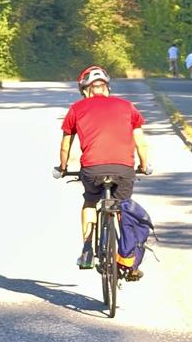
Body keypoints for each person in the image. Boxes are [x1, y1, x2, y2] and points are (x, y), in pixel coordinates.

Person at [57, 65, 150, 277]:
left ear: (85, 90)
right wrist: (143, 166)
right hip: (124, 169)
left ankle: (88, 249)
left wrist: (63, 168)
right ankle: (126, 258)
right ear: (107, 88)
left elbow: (65, 146)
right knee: (122, 207)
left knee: (90, 201)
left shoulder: (76, 109)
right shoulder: (127, 106)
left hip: (92, 169)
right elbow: (141, 143)